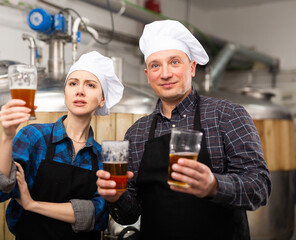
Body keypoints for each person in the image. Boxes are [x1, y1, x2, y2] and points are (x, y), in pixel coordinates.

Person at [96, 20, 271, 239]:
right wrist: (116, 197)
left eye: (175, 62)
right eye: (155, 66)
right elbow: (129, 215)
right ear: (147, 75)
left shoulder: (228, 115)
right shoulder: (137, 132)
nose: (165, 73)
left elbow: (259, 187)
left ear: (192, 67)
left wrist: (214, 186)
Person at [0, 51, 124, 239]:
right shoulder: (34, 137)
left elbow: (97, 216)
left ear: (102, 100)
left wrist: (33, 205)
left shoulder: (101, 156)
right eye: (73, 83)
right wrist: (7, 136)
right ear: (66, 92)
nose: (80, 90)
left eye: (90, 85)